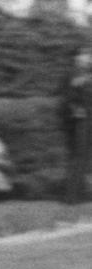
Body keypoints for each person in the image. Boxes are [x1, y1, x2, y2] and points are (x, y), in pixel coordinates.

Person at [59, 45, 92, 204]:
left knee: (84, 157)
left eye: (89, 55)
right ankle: (71, 197)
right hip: (79, 120)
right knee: (78, 157)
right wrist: (76, 111)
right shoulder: (71, 73)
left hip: (87, 118)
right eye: (86, 55)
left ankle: (80, 193)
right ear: (77, 58)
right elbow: (68, 97)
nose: (89, 58)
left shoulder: (86, 74)